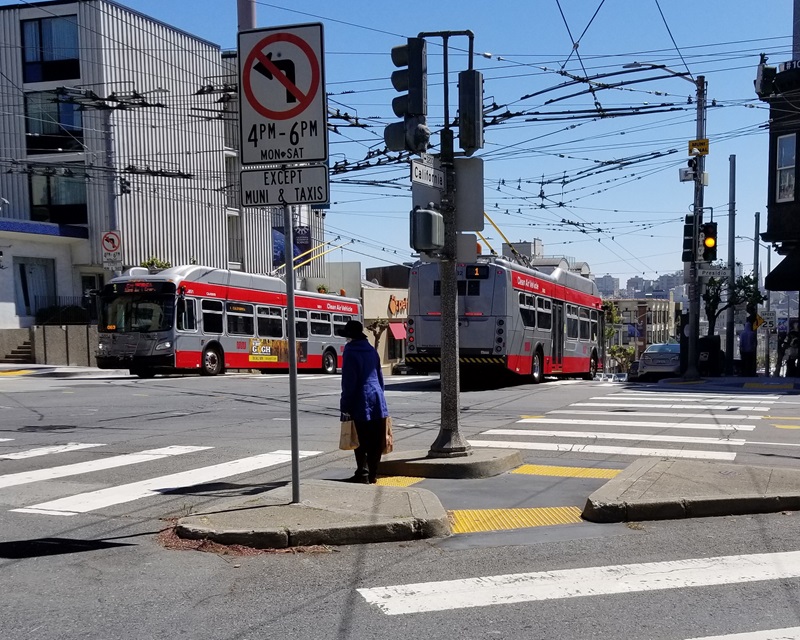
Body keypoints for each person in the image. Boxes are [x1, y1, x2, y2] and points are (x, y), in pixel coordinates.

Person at [339, 320, 389, 484]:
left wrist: (345, 406)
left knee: (360, 438)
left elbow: (349, 381)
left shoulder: (350, 351)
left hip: (361, 399)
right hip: (377, 398)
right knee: (375, 439)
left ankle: (363, 473)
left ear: (350, 337)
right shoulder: (371, 350)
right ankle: (373, 473)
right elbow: (380, 378)